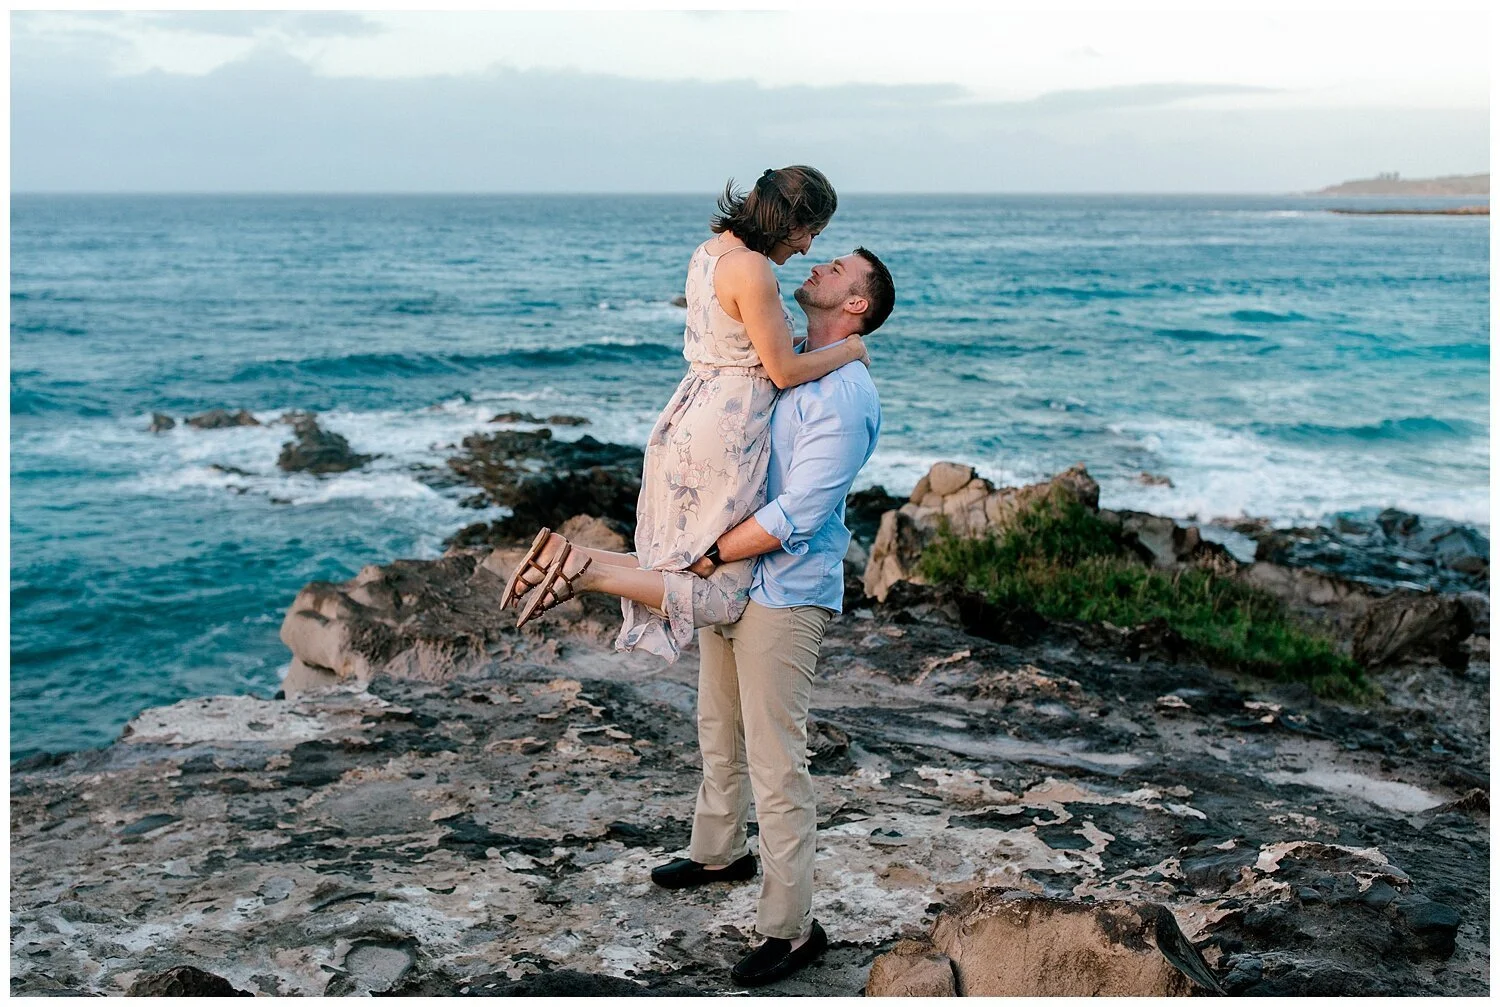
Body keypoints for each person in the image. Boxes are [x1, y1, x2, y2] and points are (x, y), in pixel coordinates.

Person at [499, 166, 868, 662]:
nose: (806, 249)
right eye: (811, 233)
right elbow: (780, 371)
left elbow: (748, 348)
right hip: (728, 431)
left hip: (693, 412)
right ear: (788, 221)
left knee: (677, 559)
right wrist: (850, 350)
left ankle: (565, 555)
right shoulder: (753, 270)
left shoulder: (711, 253)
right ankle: (588, 572)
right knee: (722, 593)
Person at [648, 246, 895, 988]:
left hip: (785, 589)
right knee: (717, 723)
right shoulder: (785, 360)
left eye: (837, 271)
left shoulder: (845, 393)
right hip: (738, 576)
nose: (817, 267)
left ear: (857, 305)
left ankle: (792, 927)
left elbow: (801, 511)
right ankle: (719, 848)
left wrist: (710, 552)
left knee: (777, 759)